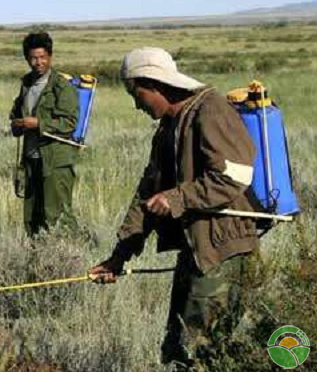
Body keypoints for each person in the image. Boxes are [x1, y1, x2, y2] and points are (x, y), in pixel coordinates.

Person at [88, 47, 260, 370]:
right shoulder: (168, 128)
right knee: (177, 349)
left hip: (224, 252)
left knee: (204, 355)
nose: (136, 104)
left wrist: (177, 198)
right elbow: (147, 196)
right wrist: (119, 256)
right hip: (195, 253)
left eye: (136, 93)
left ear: (155, 84)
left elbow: (236, 175)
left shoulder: (211, 110)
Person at [9, 32, 79, 235]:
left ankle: (68, 260)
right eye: (33, 58)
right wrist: (18, 125)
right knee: (32, 217)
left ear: (50, 56)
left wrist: (38, 123)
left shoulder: (61, 86)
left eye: (42, 57)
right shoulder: (26, 84)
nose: (38, 62)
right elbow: (15, 114)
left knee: (57, 217)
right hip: (31, 159)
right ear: (27, 58)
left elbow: (69, 123)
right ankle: (37, 262)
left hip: (55, 161)